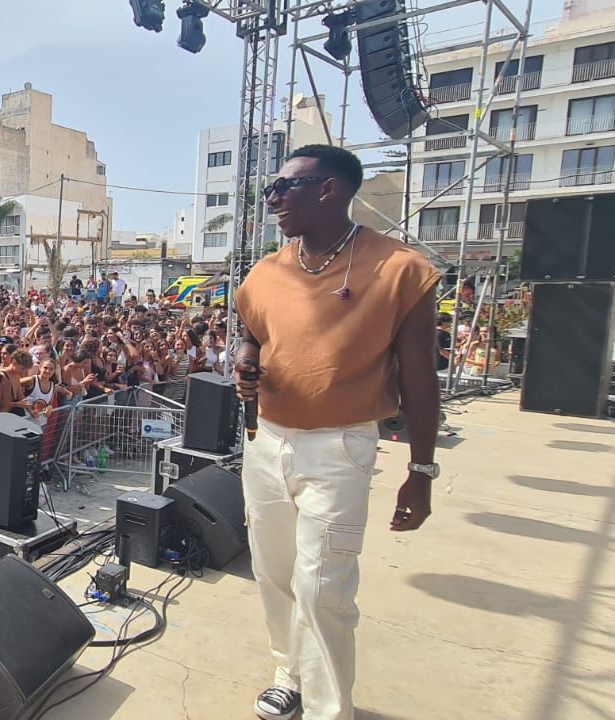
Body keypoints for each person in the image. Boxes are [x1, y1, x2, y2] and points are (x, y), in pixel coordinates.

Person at [234, 144, 439, 720]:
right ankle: (289, 672)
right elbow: (251, 331)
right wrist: (244, 361)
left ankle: (330, 710)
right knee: (273, 572)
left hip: (340, 446)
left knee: (324, 587)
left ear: (329, 190)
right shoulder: (268, 269)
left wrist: (420, 472)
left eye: (283, 187)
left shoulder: (400, 269)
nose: (270, 198)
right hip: (265, 441)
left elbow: (422, 383)